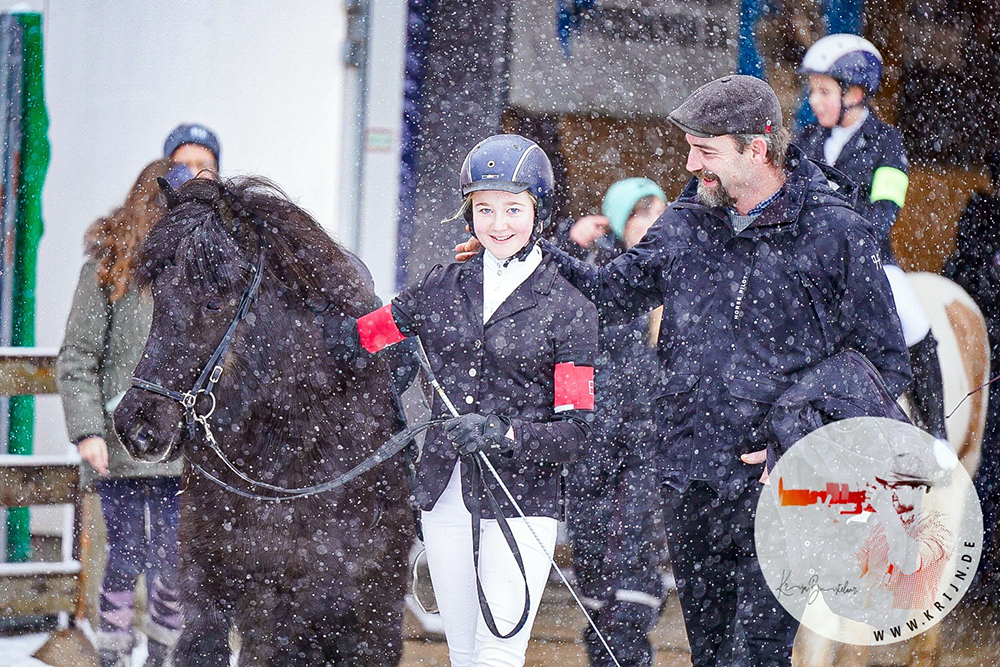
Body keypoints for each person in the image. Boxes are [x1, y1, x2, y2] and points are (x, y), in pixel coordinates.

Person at [457, 75, 912, 665]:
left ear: (757, 147)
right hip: (691, 476)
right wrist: (529, 252)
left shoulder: (836, 232)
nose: (691, 163)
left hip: (787, 485)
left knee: (755, 653)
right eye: (690, 147)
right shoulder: (688, 220)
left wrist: (798, 425)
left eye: (706, 150)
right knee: (712, 652)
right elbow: (610, 293)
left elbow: (885, 363)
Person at [325, 134, 598, 666]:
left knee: (499, 654)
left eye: (513, 209)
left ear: (538, 212)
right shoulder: (441, 286)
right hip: (444, 492)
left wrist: (506, 432)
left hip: (520, 500)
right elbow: (367, 336)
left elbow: (576, 431)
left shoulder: (569, 308)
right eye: (485, 209)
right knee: (463, 653)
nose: (498, 224)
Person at [57, 159, 192, 667]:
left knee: (173, 561)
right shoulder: (109, 267)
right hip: (119, 445)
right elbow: (78, 357)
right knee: (128, 552)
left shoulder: (191, 272)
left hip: (181, 450)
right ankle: (112, 651)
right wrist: (88, 430)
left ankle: (164, 653)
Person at [794, 34, 947, 440]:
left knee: (913, 325)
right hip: (809, 264)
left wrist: (847, 246)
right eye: (812, 90)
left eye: (824, 91)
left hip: (870, 261)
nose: (813, 100)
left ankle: (936, 433)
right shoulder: (805, 143)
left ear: (856, 92)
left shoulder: (887, 143)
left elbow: (886, 207)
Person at [561, 178, 670, 666]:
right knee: (594, 570)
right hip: (591, 444)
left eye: (659, 216)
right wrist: (566, 236)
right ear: (619, 223)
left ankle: (627, 647)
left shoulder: (680, 276)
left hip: (648, 443)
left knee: (632, 571)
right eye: (641, 216)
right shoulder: (591, 277)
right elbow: (537, 272)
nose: (652, 227)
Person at [944, 148, 1000, 597]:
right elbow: (964, 271)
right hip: (989, 346)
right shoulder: (982, 214)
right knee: (985, 462)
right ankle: (972, 560)